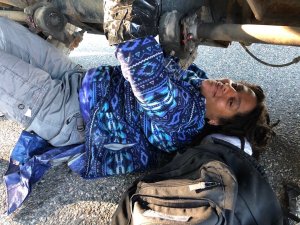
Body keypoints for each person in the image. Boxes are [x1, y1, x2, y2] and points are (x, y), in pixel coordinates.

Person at [0, 15, 274, 179]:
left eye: (231, 101)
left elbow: (146, 77)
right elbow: (167, 56)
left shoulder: (183, 119)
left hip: (66, 113)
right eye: (236, 86)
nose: (227, 88)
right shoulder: (198, 82)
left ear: (215, 122)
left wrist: (127, 16)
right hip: (76, 79)